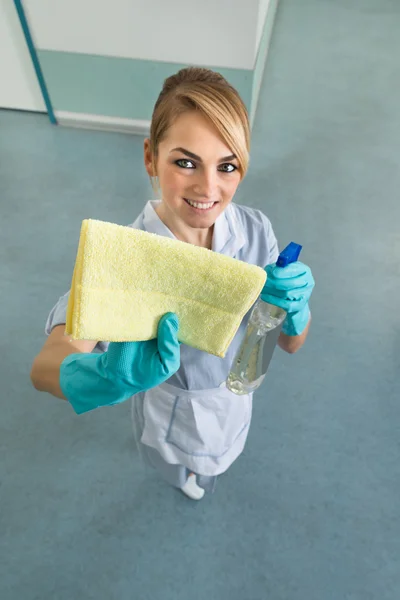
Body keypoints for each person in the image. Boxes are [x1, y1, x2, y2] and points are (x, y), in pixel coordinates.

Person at [30, 67, 315, 501]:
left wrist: (294, 312)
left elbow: (289, 345)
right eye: (185, 162)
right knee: (172, 464)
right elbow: (45, 368)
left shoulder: (256, 229)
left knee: (220, 455)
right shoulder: (122, 259)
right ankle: (182, 478)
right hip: (170, 407)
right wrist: (101, 380)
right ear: (150, 157)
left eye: (228, 166)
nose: (208, 188)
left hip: (235, 395)